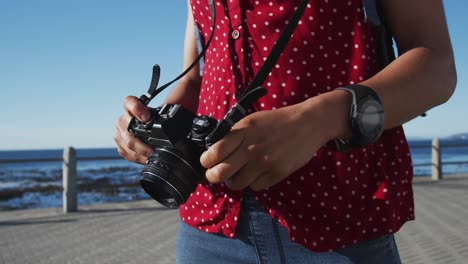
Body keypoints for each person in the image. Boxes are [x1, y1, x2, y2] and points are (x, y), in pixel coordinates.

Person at [114, 0, 456, 263]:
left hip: (340, 223)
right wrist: (153, 123)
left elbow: (436, 66)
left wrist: (317, 120)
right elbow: (198, 77)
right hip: (209, 224)